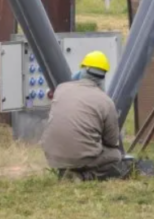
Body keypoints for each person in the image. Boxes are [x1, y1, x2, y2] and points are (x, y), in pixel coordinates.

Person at [41, 51, 132, 181]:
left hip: (53, 156)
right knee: (115, 154)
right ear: (103, 76)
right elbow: (112, 141)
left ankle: (66, 171)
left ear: (82, 70)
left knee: (78, 149)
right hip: (82, 157)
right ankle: (85, 176)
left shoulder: (61, 89)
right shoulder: (105, 101)